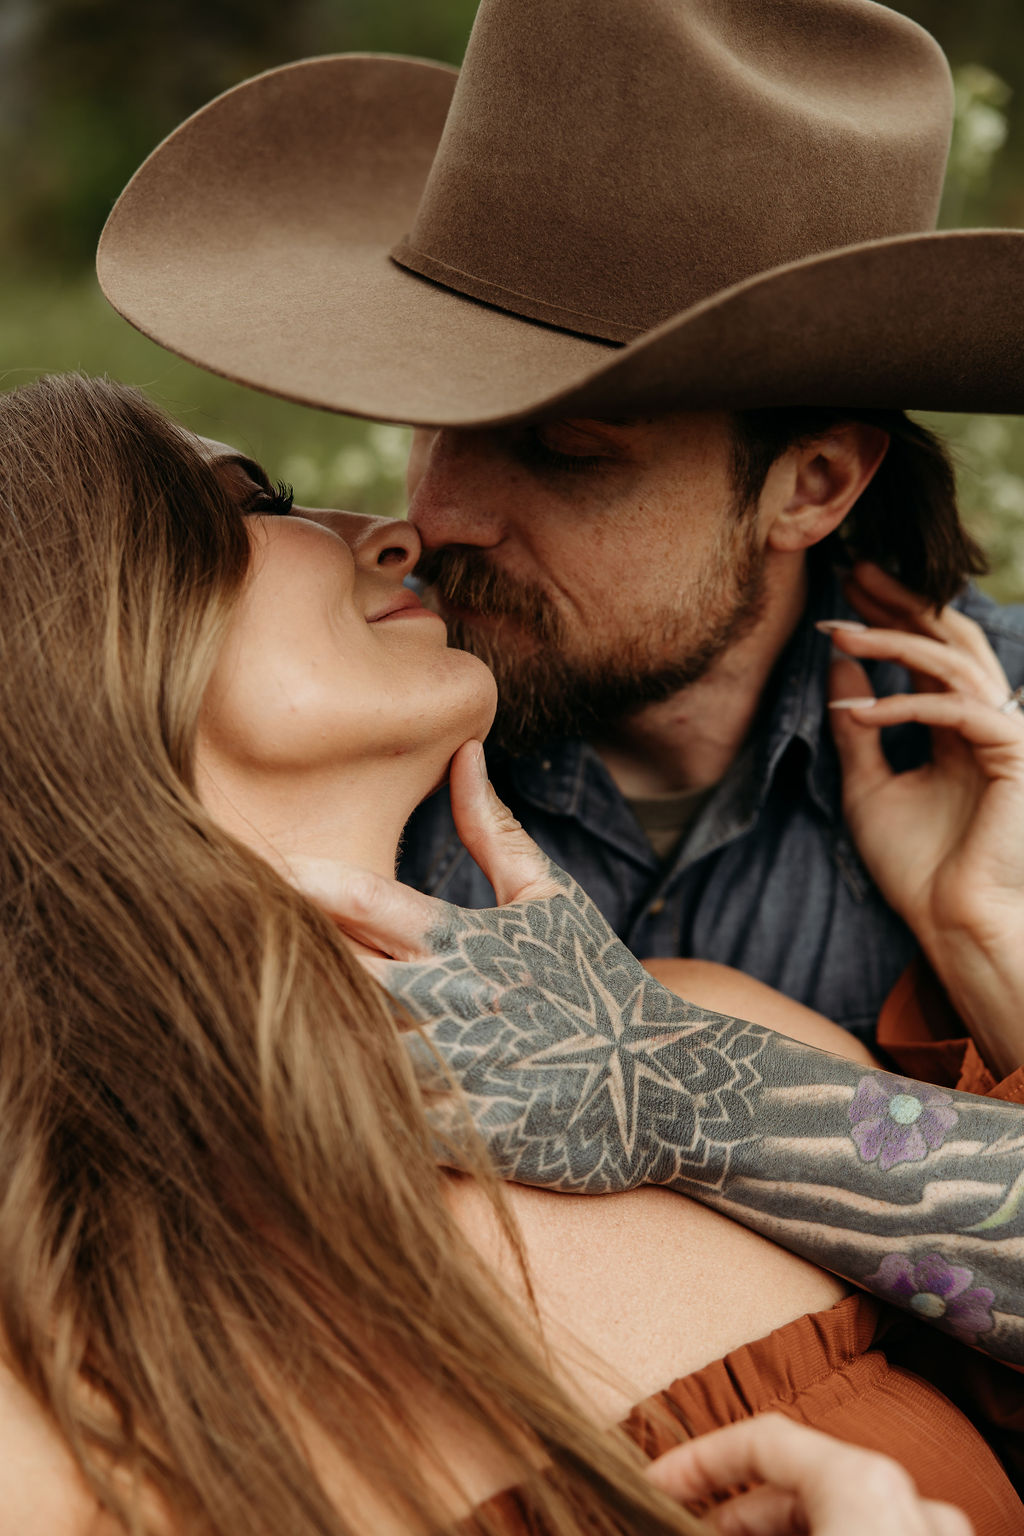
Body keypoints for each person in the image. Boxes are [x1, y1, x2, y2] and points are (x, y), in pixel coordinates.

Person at [0, 372, 1015, 1535]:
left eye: (571, 451)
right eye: (255, 499)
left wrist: (661, 1074)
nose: (410, 526)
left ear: (816, 485)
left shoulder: (696, 1030)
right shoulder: (56, 1367)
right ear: (56, 645)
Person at [96, 0, 1024, 1040]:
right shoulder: (326, 712)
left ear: (810, 485)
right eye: (433, 417)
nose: (435, 515)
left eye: (567, 452)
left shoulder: (1001, 776)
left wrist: (990, 954)